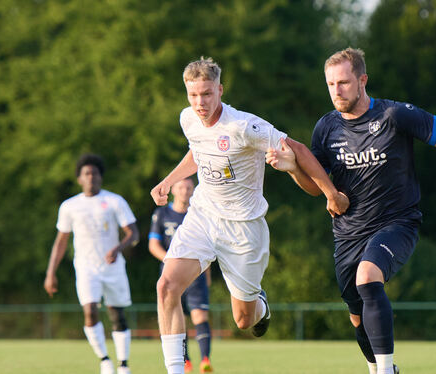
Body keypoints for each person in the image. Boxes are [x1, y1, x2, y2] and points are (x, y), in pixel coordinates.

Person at [266, 47, 436, 374]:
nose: (337, 90)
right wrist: (293, 169)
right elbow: (320, 189)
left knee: (368, 277)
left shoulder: (393, 115)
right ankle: (378, 368)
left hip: (397, 223)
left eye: (344, 82)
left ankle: (386, 371)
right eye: (331, 84)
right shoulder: (326, 128)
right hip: (348, 233)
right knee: (357, 316)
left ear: (363, 80)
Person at [150, 56, 350, 374]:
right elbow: (198, 151)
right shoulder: (187, 118)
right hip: (203, 216)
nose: (200, 102)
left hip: (243, 230)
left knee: (244, 320)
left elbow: (297, 149)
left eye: (206, 94)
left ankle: (261, 306)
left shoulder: (243, 126)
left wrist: (331, 193)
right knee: (167, 287)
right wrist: (168, 180)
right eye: (193, 95)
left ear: (220, 90)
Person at [44, 153, 139, 374]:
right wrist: (51, 273)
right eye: (86, 173)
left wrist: (118, 248)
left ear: (100, 177)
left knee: (117, 315)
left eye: (94, 173)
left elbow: (133, 233)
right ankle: (104, 359)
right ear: (79, 178)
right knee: (90, 312)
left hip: (113, 267)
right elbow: (60, 242)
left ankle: (123, 364)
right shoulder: (70, 206)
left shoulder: (114, 201)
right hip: (86, 268)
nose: (91, 177)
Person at [149, 177, 214, 373]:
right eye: (181, 187)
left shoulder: (199, 214)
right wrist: (172, 261)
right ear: (174, 190)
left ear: (194, 190)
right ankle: (184, 362)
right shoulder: (162, 213)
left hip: (197, 274)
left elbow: (207, 247)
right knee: (178, 318)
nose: (185, 191)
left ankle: (205, 360)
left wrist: (207, 274)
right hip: (171, 275)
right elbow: (153, 245)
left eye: (188, 187)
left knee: (200, 316)